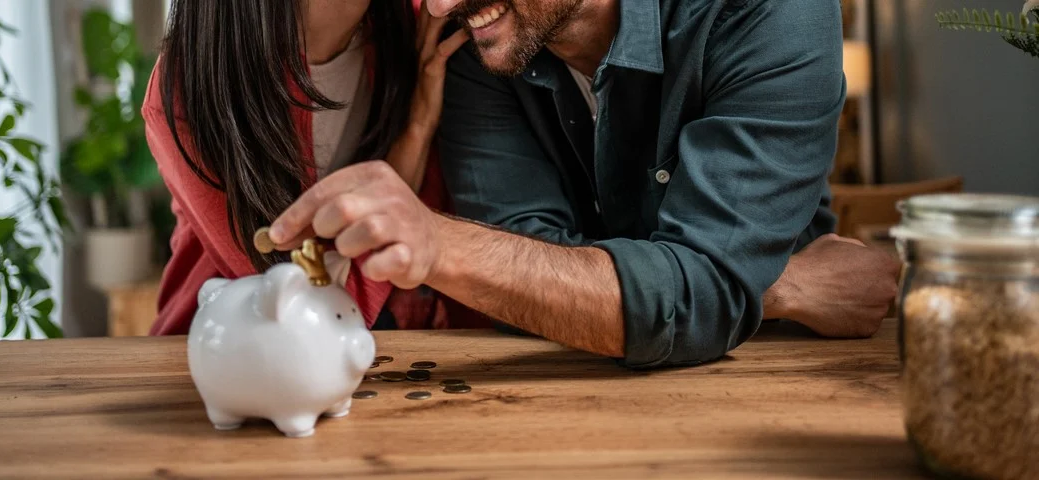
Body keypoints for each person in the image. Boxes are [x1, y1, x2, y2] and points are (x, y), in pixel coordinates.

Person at [265, 0, 901, 369]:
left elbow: (690, 293)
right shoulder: (484, 46)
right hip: (563, 394)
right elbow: (520, 290)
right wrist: (771, 284)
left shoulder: (766, 12)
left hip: (771, 379)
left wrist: (440, 244)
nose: (434, 4)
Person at [142, 0, 481, 335]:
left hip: (416, 359)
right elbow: (306, 318)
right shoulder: (193, 83)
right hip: (227, 364)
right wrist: (416, 131)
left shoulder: (428, 22)